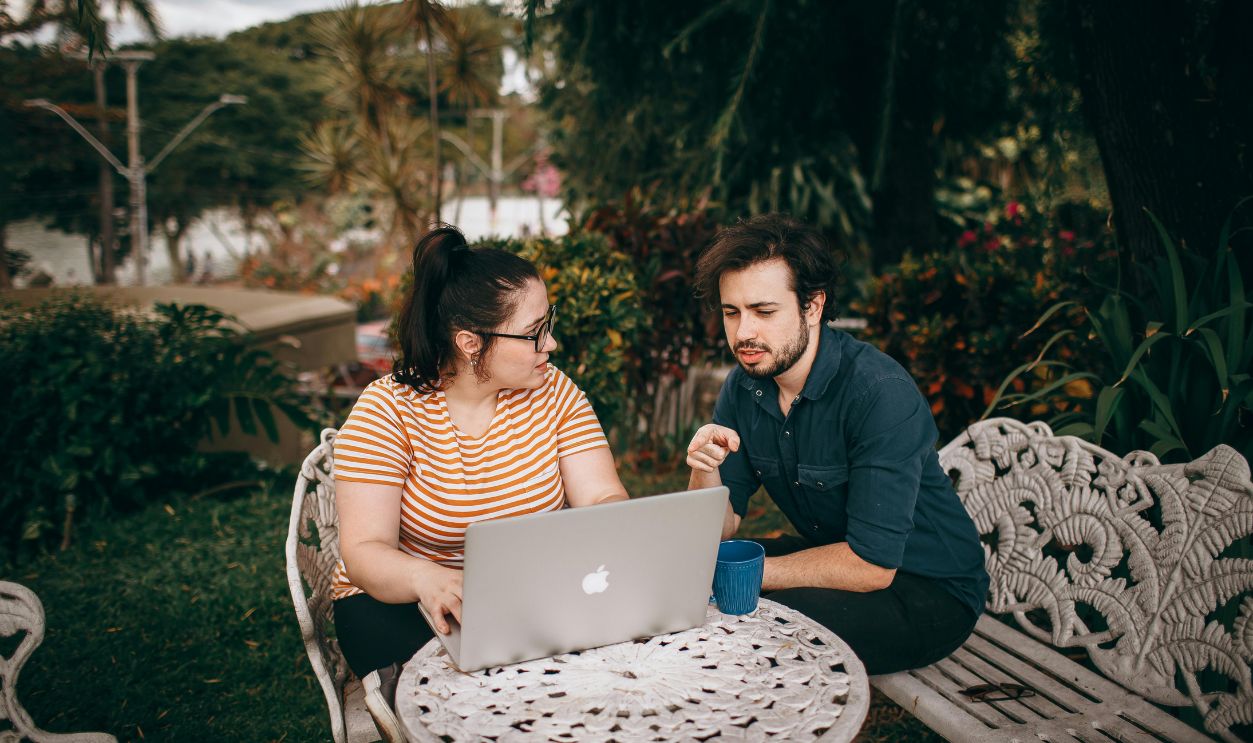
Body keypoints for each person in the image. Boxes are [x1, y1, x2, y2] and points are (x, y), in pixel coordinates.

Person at [332, 225, 628, 737]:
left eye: (548, 323)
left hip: (527, 592)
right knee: (473, 702)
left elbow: (600, 493)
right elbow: (365, 550)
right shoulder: (388, 410)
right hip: (402, 601)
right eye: (534, 331)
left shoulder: (553, 392)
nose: (551, 343)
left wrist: (608, 524)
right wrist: (428, 579)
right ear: (471, 343)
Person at [685, 213, 988, 675]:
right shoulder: (745, 386)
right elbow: (715, 533)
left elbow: (872, 566)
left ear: (813, 305)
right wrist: (705, 468)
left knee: (756, 624)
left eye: (764, 312)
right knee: (694, 576)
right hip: (835, 556)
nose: (744, 332)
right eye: (732, 312)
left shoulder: (878, 392)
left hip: (927, 591)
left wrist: (744, 576)